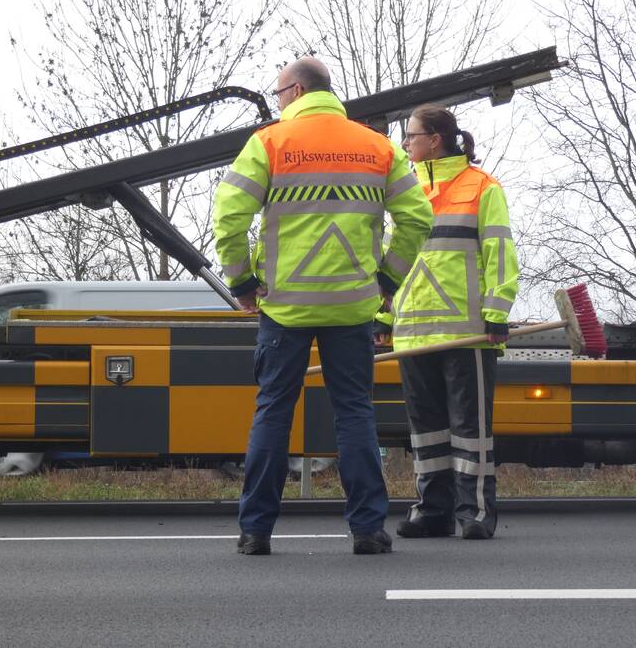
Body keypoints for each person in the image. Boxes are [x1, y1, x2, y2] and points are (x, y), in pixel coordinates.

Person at [212, 58, 433, 555]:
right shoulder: (377, 147)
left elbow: (228, 215)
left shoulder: (270, 143)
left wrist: (241, 280)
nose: (277, 102)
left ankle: (255, 533)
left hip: (283, 306)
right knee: (355, 414)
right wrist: (386, 278)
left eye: (277, 94)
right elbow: (417, 219)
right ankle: (368, 531)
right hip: (353, 307)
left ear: (295, 90)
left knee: (273, 412)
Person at [377, 104, 518, 540]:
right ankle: (432, 510)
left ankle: (475, 512)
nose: (405, 144)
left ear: (435, 139)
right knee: (425, 430)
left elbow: (501, 254)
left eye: (411, 136)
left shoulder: (482, 187)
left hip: (468, 332)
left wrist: (496, 315)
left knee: (469, 430)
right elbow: (392, 259)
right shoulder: (405, 190)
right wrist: (382, 316)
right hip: (414, 333)